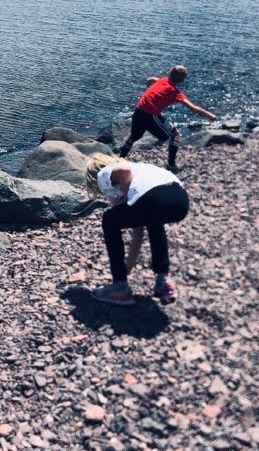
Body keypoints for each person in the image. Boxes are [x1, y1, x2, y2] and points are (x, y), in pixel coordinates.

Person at [85, 153, 190, 306]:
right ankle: (164, 280)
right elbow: (137, 228)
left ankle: (119, 289)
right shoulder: (140, 171)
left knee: (108, 220)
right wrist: (129, 264)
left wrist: (129, 200)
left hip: (155, 198)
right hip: (180, 201)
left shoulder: (105, 172)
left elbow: (123, 169)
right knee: (154, 219)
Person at [117, 65, 217, 171]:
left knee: (133, 137)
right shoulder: (176, 93)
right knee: (175, 135)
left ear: (169, 74)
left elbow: (154, 79)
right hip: (150, 115)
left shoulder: (161, 81)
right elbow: (193, 108)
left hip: (138, 110)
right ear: (182, 80)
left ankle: (119, 159)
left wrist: (149, 80)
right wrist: (209, 115)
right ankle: (171, 164)